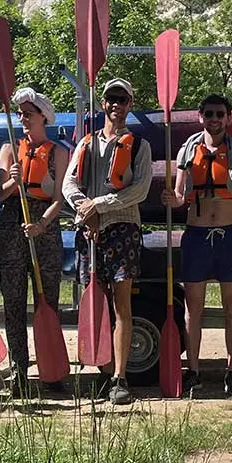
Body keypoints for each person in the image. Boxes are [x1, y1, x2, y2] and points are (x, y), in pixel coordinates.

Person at [63, 78, 153, 405]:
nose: (117, 105)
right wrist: (84, 209)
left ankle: (120, 376)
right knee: (96, 306)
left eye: (123, 99)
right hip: (90, 231)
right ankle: (103, 371)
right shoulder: (86, 143)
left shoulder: (139, 145)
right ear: (103, 103)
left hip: (123, 229)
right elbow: (69, 183)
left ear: (130, 104)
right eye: (112, 99)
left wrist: (98, 205)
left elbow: (139, 190)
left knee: (121, 306)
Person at [162, 94, 232, 397]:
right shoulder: (189, 150)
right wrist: (172, 200)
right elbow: (179, 195)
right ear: (200, 117)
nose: (214, 119)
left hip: (229, 236)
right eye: (209, 114)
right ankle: (194, 371)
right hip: (197, 236)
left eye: (220, 114)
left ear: (228, 118)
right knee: (194, 309)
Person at [0, 88, 69, 395]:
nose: (23, 119)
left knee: (47, 301)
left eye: (28, 113)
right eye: (20, 114)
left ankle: (51, 371)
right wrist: (13, 179)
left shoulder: (58, 152)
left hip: (44, 226)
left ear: (43, 116)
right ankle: (19, 372)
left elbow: (60, 197)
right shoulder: (10, 148)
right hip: (13, 223)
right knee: (14, 303)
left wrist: (42, 224)